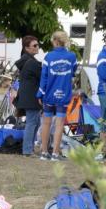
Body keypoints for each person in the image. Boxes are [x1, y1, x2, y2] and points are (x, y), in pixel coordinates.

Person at [36, 31, 77, 161]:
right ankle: (55, 154)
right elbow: (74, 72)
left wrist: (40, 94)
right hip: (64, 94)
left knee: (46, 123)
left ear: (55, 41)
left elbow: (44, 77)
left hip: (49, 94)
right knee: (59, 124)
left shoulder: (48, 57)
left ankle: (44, 152)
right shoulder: (72, 57)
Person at [15, 36, 42, 156]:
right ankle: (27, 150)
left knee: (35, 123)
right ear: (27, 48)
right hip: (31, 97)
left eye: (37, 45)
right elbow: (42, 77)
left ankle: (29, 148)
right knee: (32, 123)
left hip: (28, 96)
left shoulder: (26, 60)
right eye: (34, 45)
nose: (37, 47)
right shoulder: (32, 63)